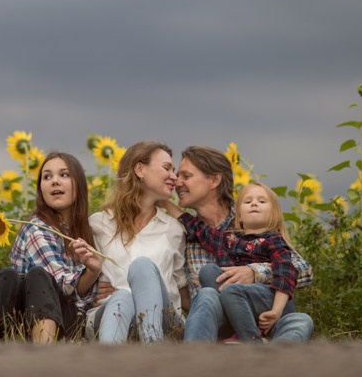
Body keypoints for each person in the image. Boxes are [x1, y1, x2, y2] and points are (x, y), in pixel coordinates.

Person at [0, 152, 101, 343]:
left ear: (79, 184)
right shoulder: (37, 229)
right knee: (19, 276)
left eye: (64, 175)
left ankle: (41, 359)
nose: (54, 181)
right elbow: (64, 286)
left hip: (66, 323)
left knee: (36, 277)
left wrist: (95, 285)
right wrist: (92, 275)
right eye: (47, 177)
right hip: (26, 321)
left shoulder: (88, 230)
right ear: (41, 189)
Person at [172, 145, 314, 343]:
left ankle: (272, 361)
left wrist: (254, 272)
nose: (177, 182)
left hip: (265, 313)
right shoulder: (180, 232)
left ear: (214, 180)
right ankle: (197, 361)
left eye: (185, 176)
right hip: (217, 321)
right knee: (206, 290)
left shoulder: (253, 225)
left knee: (301, 320)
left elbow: (304, 270)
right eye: (177, 176)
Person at [161, 182, 297, 342]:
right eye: (248, 202)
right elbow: (195, 226)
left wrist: (276, 311)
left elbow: (285, 273)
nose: (254, 203)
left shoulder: (274, 240)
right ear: (239, 216)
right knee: (208, 271)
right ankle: (236, 330)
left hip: (269, 300)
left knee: (231, 290)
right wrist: (164, 203)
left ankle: (252, 341)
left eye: (261, 201)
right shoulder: (228, 239)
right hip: (235, 299)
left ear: (274, 213)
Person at [86, 141, 188, 344]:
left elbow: (183, 289)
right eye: (166, 168)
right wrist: (90, 292)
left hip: (164, 323)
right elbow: (79, 278)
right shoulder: (98, 224)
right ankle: (110, 359)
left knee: (142, 266)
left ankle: (151, 347)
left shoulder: (174, 230)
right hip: (110, 317)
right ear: (140, 169)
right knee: (122, 297)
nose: (174, 177)